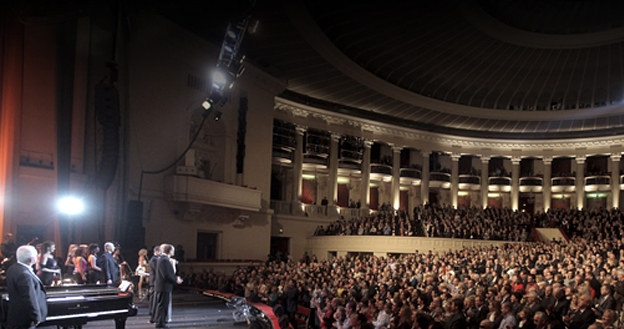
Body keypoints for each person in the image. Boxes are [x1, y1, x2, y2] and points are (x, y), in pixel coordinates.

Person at [6, 245, 47, 329]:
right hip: (25, 319)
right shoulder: (25, 274)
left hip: (16, 315)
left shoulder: (12, 268)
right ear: (31, 259)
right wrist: (36, 317)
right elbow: (29, 297)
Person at [154, 243, 182, 328]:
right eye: (173, 250)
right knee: (162, 306)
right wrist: (176, 280)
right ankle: (160, 323)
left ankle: (161, 322)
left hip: (163, 286)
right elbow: (166, 274)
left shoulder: (163, 259)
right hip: (163, 287)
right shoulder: (164, 260)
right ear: (169, 251)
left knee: (162, 305)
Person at [149, 245, 162, 323]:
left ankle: (152, 311)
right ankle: (152, 311)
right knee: (153, 298)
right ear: (156, 251)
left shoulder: (156, 259)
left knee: (153, 297)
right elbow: (156, 269)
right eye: (159, 251)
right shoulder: (154, 259)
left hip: (154, 281)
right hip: (154, 281)